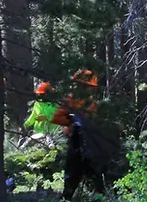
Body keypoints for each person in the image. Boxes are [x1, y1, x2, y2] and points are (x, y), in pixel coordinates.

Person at [51, 69, 106, 200]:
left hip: (90, 141)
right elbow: (56, 118)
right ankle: (66, 198)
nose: (88, 89)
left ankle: (101, 196)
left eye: (89, 87)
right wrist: (72, 121)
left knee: (97, 172)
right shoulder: (69, 99)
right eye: (85, 86)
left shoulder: (92, 103)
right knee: (72, 173)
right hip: (75, 140)